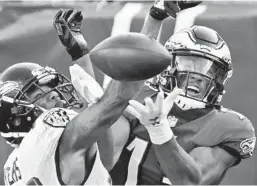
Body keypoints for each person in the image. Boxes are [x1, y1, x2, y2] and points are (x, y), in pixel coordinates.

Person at [0, 9, 145, 185]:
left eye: (51, 90)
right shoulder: (47, 134)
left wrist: (80, 56)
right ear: (17, 119)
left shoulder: (16, 163)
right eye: (40, 95)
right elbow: (111, 105)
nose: (55, 94)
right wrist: (142, 52)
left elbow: (102, 150)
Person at [107, 1, 256, 185]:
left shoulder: (228, 128)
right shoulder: (139, 99)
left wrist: (159, 130)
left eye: (210, 70)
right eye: (189, 63)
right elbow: (99, 160)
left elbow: (191, 182)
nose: (198, 75)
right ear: (168, 66)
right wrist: (156, 16)